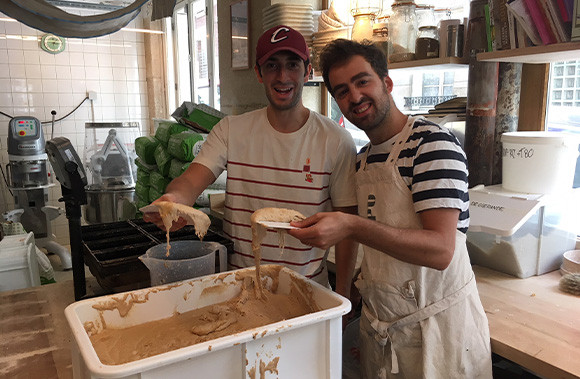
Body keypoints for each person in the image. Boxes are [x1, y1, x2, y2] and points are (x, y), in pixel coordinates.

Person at [288, 39, 493, 378]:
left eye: (362, 81)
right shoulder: (363, 160)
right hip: (383, 330)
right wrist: (349, 296)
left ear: (386, 82)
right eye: (341, 91)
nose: (354, 97)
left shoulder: (432, 145)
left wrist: (351, 226)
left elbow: (441, 250)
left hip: (440, 335)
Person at [144, 25, 358, 297]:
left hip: (307, 293)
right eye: (272, 66)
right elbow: (190, 181)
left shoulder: (336, 141)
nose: (282, 76)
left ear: (307, 71)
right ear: (258, 72)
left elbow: (347, 226)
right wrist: (173, 200)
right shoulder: (231, 130)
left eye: (292, 65)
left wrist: (343, 295)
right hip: (241, 289)